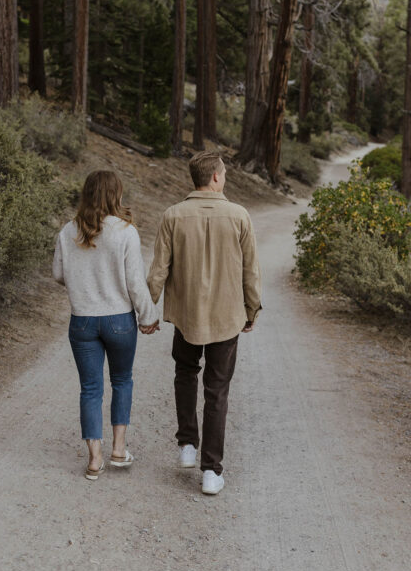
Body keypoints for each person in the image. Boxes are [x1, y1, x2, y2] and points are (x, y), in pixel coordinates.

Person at [147, 150, 261, 495]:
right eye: (223, 173)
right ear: (215, 177)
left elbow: (158, 270)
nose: (224, 177)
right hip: (227, 317)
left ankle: (187, 445)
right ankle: (212, 471)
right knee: (217, 390)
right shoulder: (239, 215)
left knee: (185, 373)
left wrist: (146, 308)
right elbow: (250, 271)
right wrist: (251, 309)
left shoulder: (173, 215)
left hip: (187, 316)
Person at [53, 170, 159, 481]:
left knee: (90, 389)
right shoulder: (125, 231)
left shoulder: (68, 231)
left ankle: (94, 459)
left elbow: (58, 274)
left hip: (83, 319)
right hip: (118, 320)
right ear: (116, 195)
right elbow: (135, 283)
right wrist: (148, 316)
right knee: (122, 380)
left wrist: (83, 278)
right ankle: (118, 449)